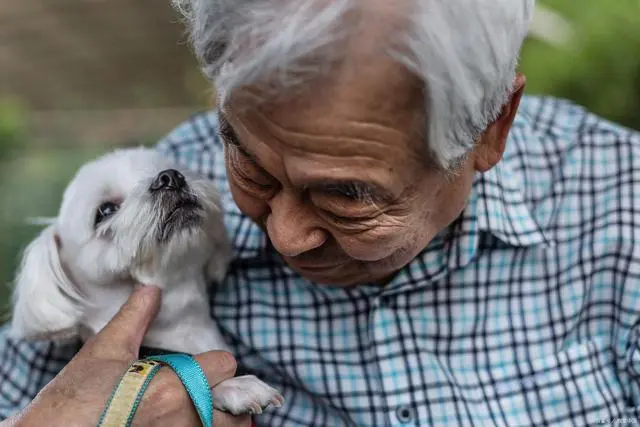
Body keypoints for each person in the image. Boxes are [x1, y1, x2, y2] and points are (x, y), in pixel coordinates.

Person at [2, 0, 640, 425]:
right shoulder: (173, 192)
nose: (283, 235)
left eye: (348, 196)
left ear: (490, 131)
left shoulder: (621, 209)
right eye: (248, 161)